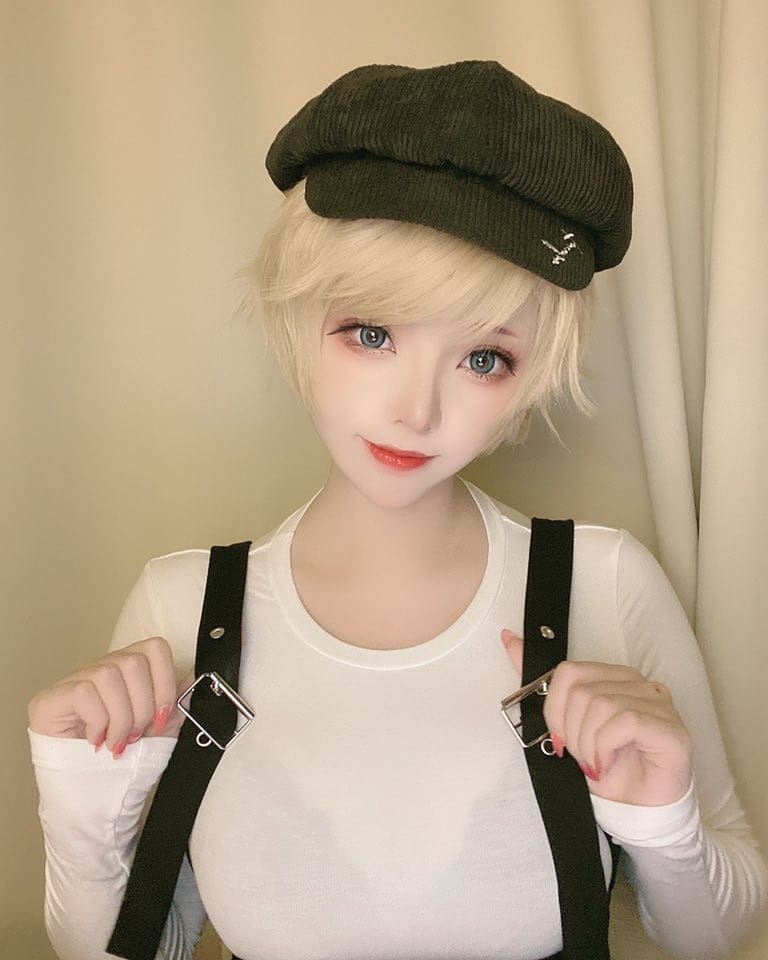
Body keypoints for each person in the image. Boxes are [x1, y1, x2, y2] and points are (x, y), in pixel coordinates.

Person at [27, 61, 767, 960]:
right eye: (371, 333)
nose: (417, 412)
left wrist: (662, 819)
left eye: (484, 358)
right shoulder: (182, 606)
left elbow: (715, 936)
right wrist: (79, 804)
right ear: (298, 321)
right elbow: (159, 940)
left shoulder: (605, 582)